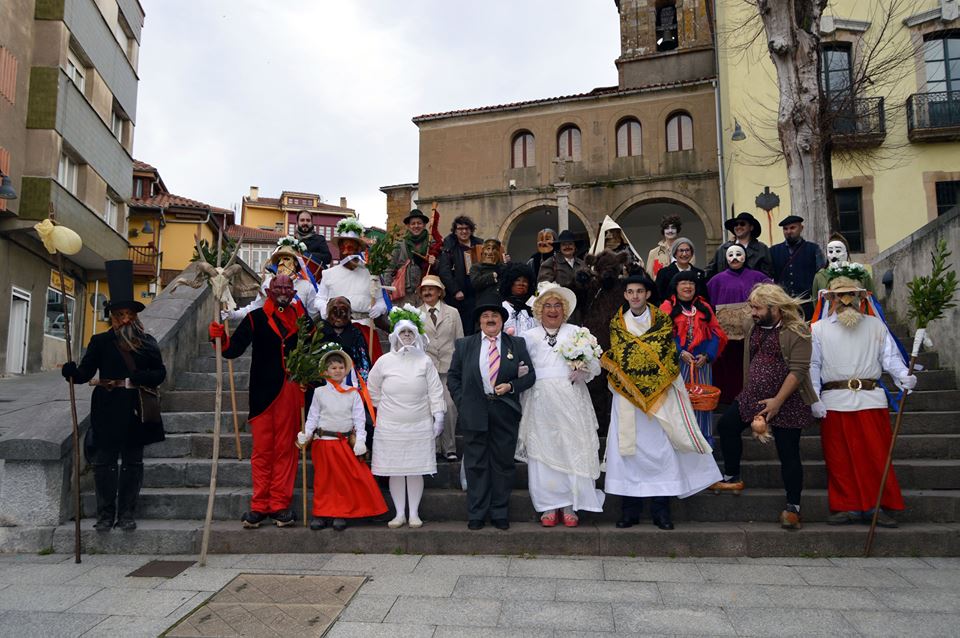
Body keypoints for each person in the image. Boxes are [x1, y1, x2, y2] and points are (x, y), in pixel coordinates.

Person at [601, 272, 721, 531]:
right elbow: (620, 355)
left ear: (647, 294)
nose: (635, 296)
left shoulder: (662, 320)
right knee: (628, 452)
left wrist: (651, 383)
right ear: (625, 295)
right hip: (628, 397)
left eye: (639, 292)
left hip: (661, 394)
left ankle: (661, 511)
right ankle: (629, 511)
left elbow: (665, 352)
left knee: (662, 451)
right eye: (630, 292)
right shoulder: (616, 324)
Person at [61, 260, 166, 531]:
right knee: (104, 463)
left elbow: (159, 374)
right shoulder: (100, 342)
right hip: (107, 407)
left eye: (128, 314)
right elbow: (85, 373)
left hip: (135, 408)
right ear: (112, 317)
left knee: (133, 462)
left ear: (135, 316)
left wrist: (140, 377)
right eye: (119, 315)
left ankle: (127, 513)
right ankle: (105, 515)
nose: (125, 319)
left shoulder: (147, 343)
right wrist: (71, 372)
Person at [811, 272, 915, 528]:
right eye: (840, 295)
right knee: (839, 458)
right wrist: (814, 398)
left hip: (870, 399)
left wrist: (904, 375)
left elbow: (889, 358)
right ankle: (847, 506)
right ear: (831, 299)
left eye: (851, 294)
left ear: (860, 297)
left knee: (876, 456)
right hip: (834, 400)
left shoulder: (876, 326)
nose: (846, 300)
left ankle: (875, 505)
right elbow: (813, 365)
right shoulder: (818, 329)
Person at [712, 284, 817, 530]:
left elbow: (798, 371)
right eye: (752, 307)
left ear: (775, 308)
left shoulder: (798, 332)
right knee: (727, 426)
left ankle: (793, 507)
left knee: (788, 452)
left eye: (757, 308)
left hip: (788, 400)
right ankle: (732, 475)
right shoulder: (753, 326)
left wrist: (777, 402)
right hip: (752, 396)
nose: (753, 312)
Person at [209, 274, 307, 528]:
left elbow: (312, 353)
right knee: (262, 451)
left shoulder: (303, 320)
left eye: (288, 287)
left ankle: (279, 505)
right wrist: (219, 337)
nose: (284, 291)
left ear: (294, 291)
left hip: (290, 390)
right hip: (262, 393)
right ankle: (259, 505)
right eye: (279, 287)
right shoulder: (255, 318)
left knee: (286, 450)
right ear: (269, 291)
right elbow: (233, 350)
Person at [517, 282, 605, 527]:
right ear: (539, 310)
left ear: (564, 309)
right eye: (547, 305)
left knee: (571, 449)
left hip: (571, 400)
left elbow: (596, 366)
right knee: (543, 453)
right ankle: (548, 506)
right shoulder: (528, 336)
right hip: (540, 401)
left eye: (557, 305)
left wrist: (584, 371)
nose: (552, 310)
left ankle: (569, 505)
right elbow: (519, 367)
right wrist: (520, 370)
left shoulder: (577, 332)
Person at [447, 293, 537, 530]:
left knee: (503, 464)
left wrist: (511, 386)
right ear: (479, 321)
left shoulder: (516, 344)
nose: (489, 319)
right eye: (485, 316)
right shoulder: (465, 344)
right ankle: (476, 513)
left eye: (494, 315)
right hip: (474, 411)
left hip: (505, 411)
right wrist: (463, 401)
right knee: (475, 464)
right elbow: (454, 377)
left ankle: (499, 512)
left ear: (501, 320)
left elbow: (530, 376)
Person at [368, 306, 446, 528]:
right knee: (395, 470)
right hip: (390, 425)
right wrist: (383, 407)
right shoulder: (384, 361)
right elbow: (372, 388)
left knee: (414, 469)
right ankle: (399, 513)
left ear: (417, 335)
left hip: (418, 423)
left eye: (410, 333)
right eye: (403, 333)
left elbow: (435, 389)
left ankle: (414, 513)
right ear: (395, 336)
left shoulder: (425, 361)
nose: (407, 337)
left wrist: (438, 414)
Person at [296, 348, 387, 531]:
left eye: (340, 367)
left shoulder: (353, 393)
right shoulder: (320, 392)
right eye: (333, 368)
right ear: (326, 371)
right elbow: (313, 416)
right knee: (323, 480)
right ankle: (321, 514)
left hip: (342, 442)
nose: (337, 370)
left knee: (342, 480)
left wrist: (360, 440)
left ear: (345, 370)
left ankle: (340, 513)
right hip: (323, 442)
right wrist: (306, 433)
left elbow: (359, 418)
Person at [659, 271, 728, 446]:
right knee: (678, 403)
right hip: (676, 364)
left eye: (691, 283)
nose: (687, 286)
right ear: (675, 287)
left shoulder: (704, 307)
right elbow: (661, 335)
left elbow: (716, 333)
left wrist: (707, 355)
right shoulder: (666, 308)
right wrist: (679, 351)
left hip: (701, 364)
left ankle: (704, 442)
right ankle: (679, 444)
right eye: (683, 283)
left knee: (702, 403)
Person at [707, 244, 772, 403]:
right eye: (731, 255)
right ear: (725, 258)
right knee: (728, 369)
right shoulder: (716, 281)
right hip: (725, 337)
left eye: (738, 254)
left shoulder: (759, 278)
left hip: (754, 334)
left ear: (745, 257)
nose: (735, 257)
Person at [317, 218, 387, 362]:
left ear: (359, 249)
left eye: (352, 248)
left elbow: (381, 301)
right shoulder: (328, 274)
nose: (348, 252)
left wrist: (379, 308)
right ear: (340, 250)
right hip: (337, 331)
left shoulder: (371, 273)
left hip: (365, 329)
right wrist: (325, 309)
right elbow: (319, 298)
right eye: (344, 248)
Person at [417, 275, 464, 462]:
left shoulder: (453, 312)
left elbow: (459, 340)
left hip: (449, 367)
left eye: (431, 288)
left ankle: (449, 447)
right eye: (424, 289)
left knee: (450, 407)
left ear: (440, 292)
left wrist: (460, 366)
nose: (427, 292)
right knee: (428, 407)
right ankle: (433, 447)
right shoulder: (415, 313)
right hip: (426, 368)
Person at [227, 240, 320, 322]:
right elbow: (255, 308)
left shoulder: (307, 287)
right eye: (279, 260)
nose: (281, 263)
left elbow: (313, 316)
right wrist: (233, 315)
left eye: (286, 259)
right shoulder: (268, 283)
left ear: (296, 262)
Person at [770, 215, 825, 319]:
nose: (789, 231)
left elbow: (821, 275)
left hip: (807, 304)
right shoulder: (773, 251)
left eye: (792, 228)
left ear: (801, 228)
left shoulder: (813, 249)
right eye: (785, 229)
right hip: (783, 305)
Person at [438, 215, 483, 335]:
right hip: (460, 295)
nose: (464, 231)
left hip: (478, 292)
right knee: (463, 329)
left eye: (467, 228)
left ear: (471, 230)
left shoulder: (480, 244)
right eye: (460, 229)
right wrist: (455, 290)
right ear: (455, 231)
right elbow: (444, 271)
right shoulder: (449, 246)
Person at [385, 209, 436, 306]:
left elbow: (441, 267)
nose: (416, 226)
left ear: (424, 224)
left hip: (426, 293)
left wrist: (435, 262)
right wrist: (387, 291)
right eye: (413, 224)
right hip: (404, 294)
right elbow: (389, 268)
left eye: (419, 223)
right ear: (408, 226)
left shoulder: (432, 244)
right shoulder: (399, 245)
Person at [537, 229, 589, 324]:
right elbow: (543, 286)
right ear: (560, 247)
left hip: (581, 311)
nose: (567, 247)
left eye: (570, 244)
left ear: (575, 246)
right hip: (560, 310)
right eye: (564, 244)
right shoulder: (550, 263)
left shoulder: (582, 264)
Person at [320, 297, 372, 384]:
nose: (338, 319)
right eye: (335, 314)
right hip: (323, 380)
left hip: (350, 380)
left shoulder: (355, 333)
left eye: (342, 314)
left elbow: (363, 363)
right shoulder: (320, 332)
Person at [706, 212, 773, 279]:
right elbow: (710, 272)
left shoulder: (762, 249)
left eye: (742, 224)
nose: (738, 227)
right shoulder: (722, 249)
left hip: (753, 288)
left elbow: (767, 275)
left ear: (751, 227)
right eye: (736, 224)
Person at [812, 232, 874, 299]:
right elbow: (816, 302)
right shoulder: (820, 276)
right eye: (830, 251)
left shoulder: (862, 273)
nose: (834, 255)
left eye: (838, 251)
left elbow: (872, 299)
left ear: (846, 253)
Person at [654, 237, 708, 302]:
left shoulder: (699, 273)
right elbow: (658, 297)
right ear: (675, 253)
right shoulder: (664, 273)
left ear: (691, 253)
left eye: (687, 250)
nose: (684, 254)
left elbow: (704, 297)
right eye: (681, 251)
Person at [500, 263, 538, 336]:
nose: (521, 284)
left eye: (525, 281)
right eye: (517, 280)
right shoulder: (502, 307)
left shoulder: (535, 306)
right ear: (510, 283)